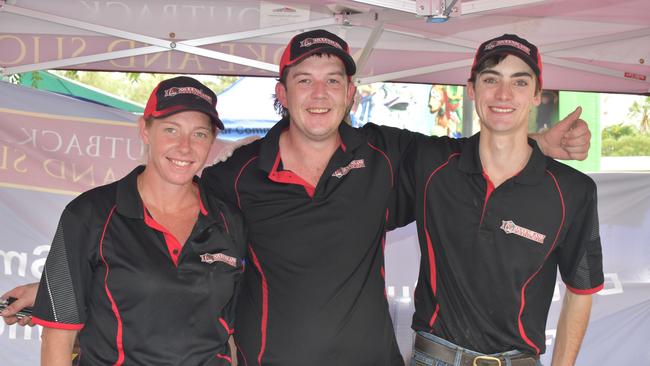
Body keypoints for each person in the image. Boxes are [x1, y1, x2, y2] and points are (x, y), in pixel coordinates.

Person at [3, 30, 592, 366]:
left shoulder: (387, 157)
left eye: (333, 79)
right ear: (280, 93)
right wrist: (65, 277)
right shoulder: (236, 177)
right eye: (304, 80)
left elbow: (476, 152)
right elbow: (161, 218)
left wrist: (539, 138)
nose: (319, 93)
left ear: (352, 94)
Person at [395, 34, 604, 366]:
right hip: (434, 357)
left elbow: (580, 291)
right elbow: (346, 140)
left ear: (537, 95)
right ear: (472, 89)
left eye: (519, 82)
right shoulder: (431, 164)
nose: (504, 94)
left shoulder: (573, 191)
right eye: (491, 79)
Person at [29, 76, 247, 365]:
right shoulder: (88, 214)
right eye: (171, 130)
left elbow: (232, 330)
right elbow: (57, 336)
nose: (185, 147)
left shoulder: (229, 221)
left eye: (199, 134)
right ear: (145, 130)